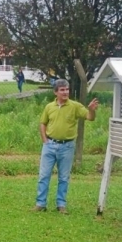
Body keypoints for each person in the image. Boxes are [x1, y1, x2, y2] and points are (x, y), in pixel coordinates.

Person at [34, 79, 99, 214]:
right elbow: (42, 123)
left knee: (63, 177)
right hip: (49, 145)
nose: (65, 92)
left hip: (67, 147)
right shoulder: (49, 107)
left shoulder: (75, 106)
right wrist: (45, 140)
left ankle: (61, 205)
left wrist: (92, 110)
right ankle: (40, 204)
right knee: (44, 175)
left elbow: (89, 117)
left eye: (67, 89)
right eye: (62, 90)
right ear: (55, 92)